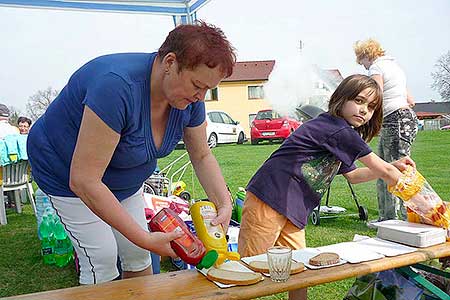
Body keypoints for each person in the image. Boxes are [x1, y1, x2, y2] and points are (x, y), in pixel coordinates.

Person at [27, 21, 236, 285]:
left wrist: (224, 202)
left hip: (122, 179)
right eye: (197, 84)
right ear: (170, 62)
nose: (200, 96)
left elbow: (202, 155)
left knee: (138, 254)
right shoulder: (116, 87)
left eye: (208, 89)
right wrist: (145, 237)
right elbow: (85, 180)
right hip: (64, 170)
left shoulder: (190, 101)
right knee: (102, 257)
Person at [238, 74, 415, 300]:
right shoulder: (335, 129)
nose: (364, 111)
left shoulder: (340, 132)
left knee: (299, 271)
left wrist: (392, 167)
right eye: (359, 101)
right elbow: (384, 173)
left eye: (371, 107)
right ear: (341, 98)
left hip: (294, 209)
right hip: (270, 198)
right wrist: (422, 200)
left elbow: (354, 175)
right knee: (249, 270)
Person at [354, 39, 419, 222]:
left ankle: (398, 218)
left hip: (393, 121)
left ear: (367, 55)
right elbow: (411, 100)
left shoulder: (376, 68)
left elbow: (375, 96)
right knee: (387, 168)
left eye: (362, 61)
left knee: (390, 170)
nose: (364, 66)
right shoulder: (396, 68)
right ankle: (392, 217)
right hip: (406, 119)